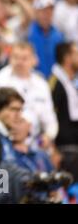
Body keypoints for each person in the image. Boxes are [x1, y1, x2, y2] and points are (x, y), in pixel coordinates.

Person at [50, 42, 78, 181]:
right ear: (67, 58)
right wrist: (53, 149)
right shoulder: (55, 83)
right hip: (64, 150)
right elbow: (50, 117)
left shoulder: (72, 82)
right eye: (76, 54)